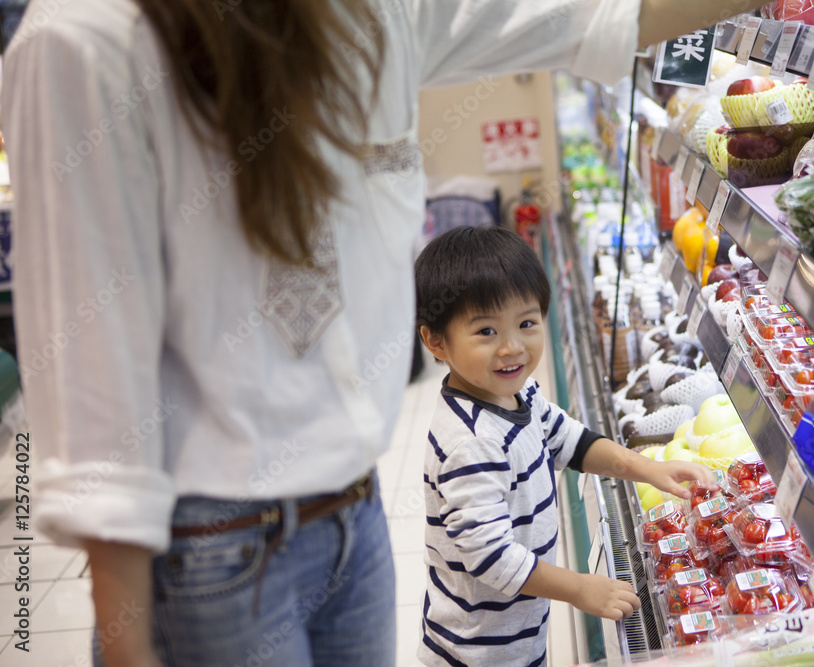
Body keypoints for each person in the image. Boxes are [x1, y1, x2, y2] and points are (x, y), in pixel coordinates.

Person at [1, 0, 771, 665]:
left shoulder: (370, 15)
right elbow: (94, 385)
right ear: (437, 341)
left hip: (355, 519)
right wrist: (129, 641)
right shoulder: (89, 41)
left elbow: (593, 15)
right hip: (208, 550)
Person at [414, 225, 716, 666]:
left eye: (526, 323)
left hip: (516, 632)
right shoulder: (470, 444)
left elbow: (569, 440)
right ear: (436, 341)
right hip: (475, 649)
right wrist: (579, 589)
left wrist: (648, 468)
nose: (512, 347)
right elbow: (491, 557)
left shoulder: (521, 393)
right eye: (485, 332)